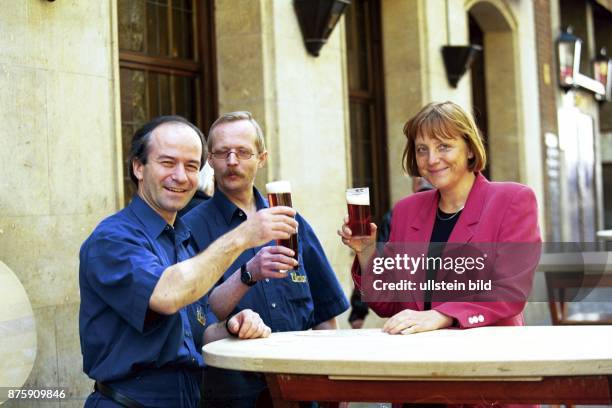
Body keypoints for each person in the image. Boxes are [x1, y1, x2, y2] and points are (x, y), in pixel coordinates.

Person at [79, 115, 298, 407]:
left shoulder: (180, 238)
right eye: (168, 163)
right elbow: (167, 295)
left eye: (191, 166)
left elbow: (198, 330)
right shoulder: (113, 238)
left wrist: (233, 326)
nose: (181, 176)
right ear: (138, 167)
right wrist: (243, 235)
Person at [183, 111, 349, 407]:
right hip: (231, 396)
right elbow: (196, 319)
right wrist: (250, 272)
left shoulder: (291, 221)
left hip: (300, 391)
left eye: (243, 152)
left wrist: (333, 388)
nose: (232, 161)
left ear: (262, 158)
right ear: (210, 160)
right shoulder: (190, 229)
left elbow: (325, 313)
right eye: (222, 153)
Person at [338, 101, 541, 335]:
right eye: (422, 149)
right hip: (421, 360)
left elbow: (510, 291)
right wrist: (365, 251)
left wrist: (440, 316)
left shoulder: (513, 200)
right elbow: (388, 303)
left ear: (471, 149)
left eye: (444, 146)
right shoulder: (406, 210)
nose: (431, 159)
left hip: (489, 357)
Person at [348, 177, 433, 329]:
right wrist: (358, 310)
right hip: (408, 324)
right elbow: (378, 266)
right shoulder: (398, 215)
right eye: (416, 173)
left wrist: (358, 311)